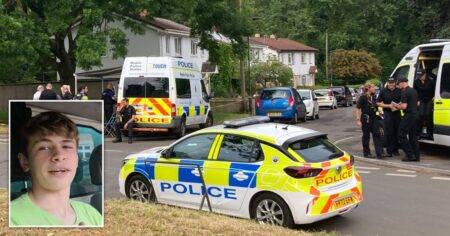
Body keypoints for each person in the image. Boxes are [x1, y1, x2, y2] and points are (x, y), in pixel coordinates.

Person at [10, 111, 102, 226]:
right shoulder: (12, 218)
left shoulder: (92, 214)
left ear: (77, 160)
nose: (59, 155)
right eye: (44, 147)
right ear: (25, 162)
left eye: (67, 146)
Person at [355, 82, 385, 159]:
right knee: (366, 136)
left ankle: (379, 153)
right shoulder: (363, 97)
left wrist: (381, 115)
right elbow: (357, 108)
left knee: (377, 134)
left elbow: (378, 107)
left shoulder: (374, 96)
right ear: (368, 88)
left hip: (374, 117)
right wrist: (358, 119)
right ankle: (367, 153)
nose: (374, 89)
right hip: (366, 118)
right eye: (373, 87)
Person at [394, 76, 420, 162]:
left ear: (402, 83)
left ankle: (409, 155)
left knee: (401, 134)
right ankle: (416, 156)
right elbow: (417, 103)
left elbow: (404, 106)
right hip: (415, 115)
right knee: (413, 136)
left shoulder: (404, 92)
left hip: (408, 115)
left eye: (399, 84)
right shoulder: (413, 90)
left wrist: (397, 106)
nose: (398, 86)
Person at [376, 77, 402, 157]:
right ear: (387, 82)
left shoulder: (399, 90)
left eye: (392, 83)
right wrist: (388, 106)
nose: (391, 84)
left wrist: (397, 105)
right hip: (387, 113)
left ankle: (396, 150)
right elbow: (378, 103)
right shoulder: (383, 91)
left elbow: (403, 100)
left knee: (397, 131)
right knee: (389, 132)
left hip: (397, 113)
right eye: (389, 83)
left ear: (395, 83)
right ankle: (389, 150)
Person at [413, 68, 436, 139]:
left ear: (425, 74)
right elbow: (415, 92)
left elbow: (436, 90)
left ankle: (430, 134)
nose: (420, 77)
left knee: (428, 116)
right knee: (420, 115)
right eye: (418, 76)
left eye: (421, 76)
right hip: (421, 100)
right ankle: (418, 134)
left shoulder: (431, 81)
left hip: (429, 99)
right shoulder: (416, 82)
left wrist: (434, 97)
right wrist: (417, 100)